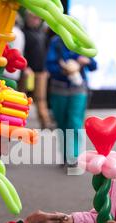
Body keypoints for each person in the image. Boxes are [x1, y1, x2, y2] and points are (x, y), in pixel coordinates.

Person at [46, 35, 97, 166]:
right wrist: (64, 70)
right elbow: (49, 65)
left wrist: (86, 61)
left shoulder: (82, 41)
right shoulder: (56, 42)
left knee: (74, 123)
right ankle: (65, 156)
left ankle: (73, 157)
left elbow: (94, 65)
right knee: (62, 123)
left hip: (78, 89)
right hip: (59, 88)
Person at [22, 11, 53, 129]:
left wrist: (46, 69)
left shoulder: (41, 34)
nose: (36, 20)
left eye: (38, 18)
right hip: (27, 71)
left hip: (41, 71)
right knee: (22, 97)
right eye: (33, 18)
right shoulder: (24, 32)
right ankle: (18, 122)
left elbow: (45, 52)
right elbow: (21, 51)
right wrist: (25, 67)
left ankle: (45, 122)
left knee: (41, 98)